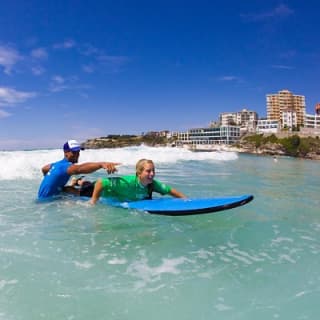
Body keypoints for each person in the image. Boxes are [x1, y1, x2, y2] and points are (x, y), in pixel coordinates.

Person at [37, 139, 120, 199]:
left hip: (44, 199)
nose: (77, 154)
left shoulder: (56, 165)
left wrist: (51, 181)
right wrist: (101, 164)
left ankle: (75, 183)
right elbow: (79, 169)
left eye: (78, 151)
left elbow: (44, 169)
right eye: (74, 152)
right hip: (48, 203)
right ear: (66, 153)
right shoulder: (66, 167)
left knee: (69, 189)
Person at [89, 158, 186, 205]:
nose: (152, 174)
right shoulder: (127, 182)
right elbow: (100, 182)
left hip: (120, 197)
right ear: (139, 173)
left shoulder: (152, 184)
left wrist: (187, 201)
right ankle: (78, 183)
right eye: (148, 171)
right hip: (99, 192)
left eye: (153, 171)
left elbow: (170, 191)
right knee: (81, 190)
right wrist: (93, 201)